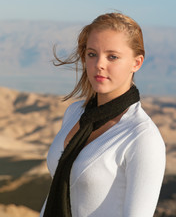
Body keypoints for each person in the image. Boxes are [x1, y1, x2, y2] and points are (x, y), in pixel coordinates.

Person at [40, 12, 166, 217]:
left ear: (137, 63)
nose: (99, 64)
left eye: (112, 56)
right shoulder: (75, 112)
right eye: (92, 54)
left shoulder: (142, 137)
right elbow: (59, 192)